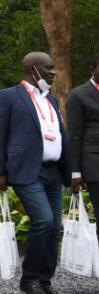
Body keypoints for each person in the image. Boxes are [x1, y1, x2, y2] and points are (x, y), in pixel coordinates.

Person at [0, 52, 71, 294]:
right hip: (26, 171)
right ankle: (29, 279)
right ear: (32, 69)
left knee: (55, 228)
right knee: (44, 221)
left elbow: (60, 135)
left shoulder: (52, 101)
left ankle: (45, 282)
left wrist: (71, 172)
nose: (54, 72)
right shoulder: (9, 96)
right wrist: (0, 171)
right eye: (49, 68)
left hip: (53, 172)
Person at [66, 53, 99, 234]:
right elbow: (75, 135)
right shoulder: (78, 95)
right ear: (92, 69)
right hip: (94, 164)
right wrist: (75, 171)